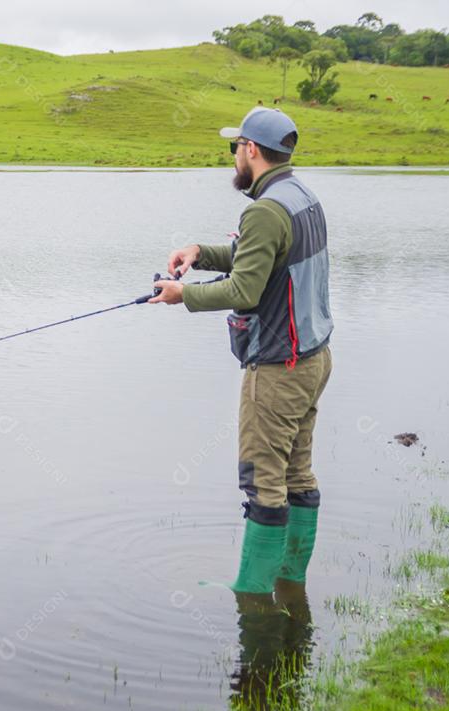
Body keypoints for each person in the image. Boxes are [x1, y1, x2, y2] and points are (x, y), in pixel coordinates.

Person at [149, 107, 333, 594]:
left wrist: (181, 294)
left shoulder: (266, 208)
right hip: (314, 359)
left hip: (278, 367)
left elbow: (244, 291)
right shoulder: (300, 197)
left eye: (236, 147)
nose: (233, 155)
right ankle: (290, 582)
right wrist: (199, 253)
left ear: (251, 150)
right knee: (297, 472)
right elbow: (257, 256)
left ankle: (254, 597)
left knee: (263, 481)